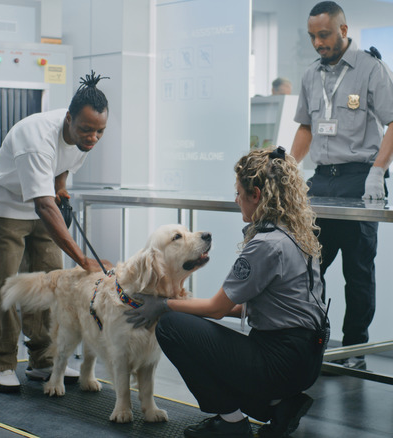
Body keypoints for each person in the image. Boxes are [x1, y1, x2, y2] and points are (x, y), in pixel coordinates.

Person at [125, 147, 329, 438]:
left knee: (172, 328)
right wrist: (183, 306)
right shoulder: (295, 234)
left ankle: (231, 422)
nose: (236, 200)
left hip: (279, 360)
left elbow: (217, 308)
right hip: (305, 360)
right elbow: (254, 307)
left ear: (256, 195)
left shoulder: (266, 244)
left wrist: (164, 305)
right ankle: (279, 404)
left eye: (238, 193)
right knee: (203, 335)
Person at [290, 1, 393, 370]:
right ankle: (312, 342)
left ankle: (355, 350)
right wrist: (289, 169)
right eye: (312, 36)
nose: (318, 43)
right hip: (322, 181)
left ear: (343, 29)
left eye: (324, 35)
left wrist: (378, 171)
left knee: (357, 272)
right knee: (308, 269)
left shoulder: (372, 69)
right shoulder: (312, 75)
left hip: (359, 179)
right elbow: (306, 128)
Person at [0, 71, 113, 392]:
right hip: (8, 206)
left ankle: (43, 359)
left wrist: (61, 183)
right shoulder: (36, 139)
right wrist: (84, 260)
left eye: (100, 131)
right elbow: (43, 206)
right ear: (68, 119)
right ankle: (0, 363)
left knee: (52, 281)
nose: (93, 137)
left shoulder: (83, 135)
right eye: (86, 130)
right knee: (7, 284)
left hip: (44, 201)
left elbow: (64, 162)